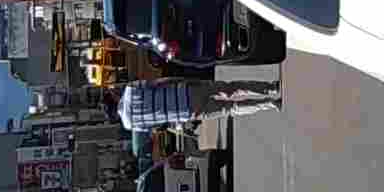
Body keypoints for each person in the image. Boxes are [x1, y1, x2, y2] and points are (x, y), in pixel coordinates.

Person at [116, 76, 282, 132]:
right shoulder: (131, 90)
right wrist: (183, 80)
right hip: (187, 92)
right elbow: (161, 82)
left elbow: (157, 128)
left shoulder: (130, 124)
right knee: (231, 89)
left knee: (231, 109)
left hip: (188, 112)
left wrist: (174, 120)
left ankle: (272, 103)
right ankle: (270, 88)